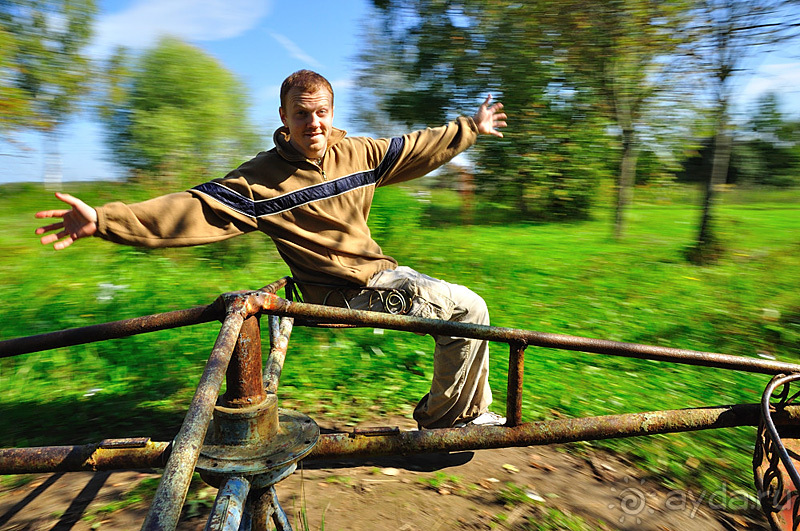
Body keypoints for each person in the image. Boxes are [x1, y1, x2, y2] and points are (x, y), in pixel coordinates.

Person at [35, 69, 508, 430]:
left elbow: (417, 146)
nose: (313, 122)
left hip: (377, 276)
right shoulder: (260, 179)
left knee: (462, 310)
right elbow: (190, 209)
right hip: (341, 292)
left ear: (332, 113)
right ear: (284, 117)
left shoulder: (359, 154)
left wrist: (472, 126)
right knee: (468, 309)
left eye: (321, 111)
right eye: (301, 113)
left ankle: (453, 413)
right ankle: (449, 423)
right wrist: (103, 219)